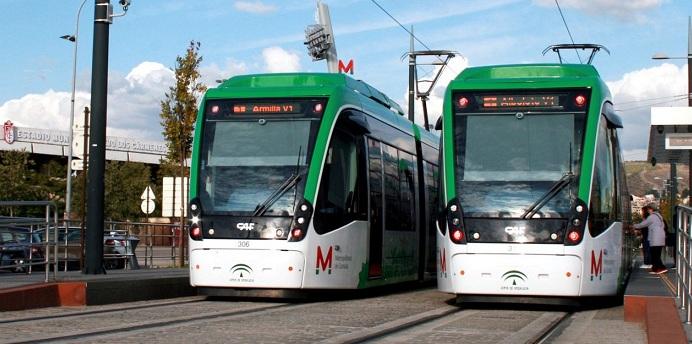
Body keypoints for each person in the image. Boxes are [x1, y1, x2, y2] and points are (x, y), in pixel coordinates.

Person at [633, 205, 667, 274]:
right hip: (660, 237)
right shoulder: (659, 216)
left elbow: (642, 224)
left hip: (655, 238)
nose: (648, 211)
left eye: (648, 209)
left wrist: (633, 226)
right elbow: (664, 226)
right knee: (657, 254)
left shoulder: (652, 217)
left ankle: (658, 269)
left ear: (651, 209)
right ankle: (658, 268)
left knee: (655, 254)